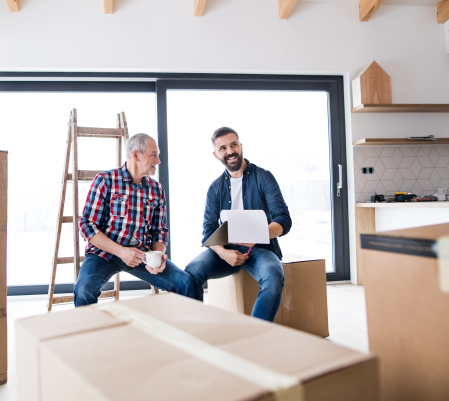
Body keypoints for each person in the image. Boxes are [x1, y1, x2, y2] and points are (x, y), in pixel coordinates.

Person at [185, 127, 292, 322]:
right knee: (191, 272)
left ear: (241, 146)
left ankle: (255, 333)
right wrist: (222, 252)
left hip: (260, 249)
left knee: (273, 276)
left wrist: (258, 234)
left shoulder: (264, 177)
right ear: (216, 154)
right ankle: (197, 329)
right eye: (223, 148)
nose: (230, 151)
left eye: (233, 145)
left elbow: (284, 220)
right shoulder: (215, 188)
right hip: (226, 250)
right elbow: (208, 231)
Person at [74, 133, 195, 306]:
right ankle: (89, 332)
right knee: (84, 290)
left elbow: (160, 231)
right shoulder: (105, 180)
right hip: (104, 253)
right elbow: (87, 225)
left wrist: (158, 256)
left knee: (185, 283)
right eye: (154, 155)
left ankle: (184, 331)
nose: (158, 161)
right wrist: (122, 252)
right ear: (136, 155)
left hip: (142, 254)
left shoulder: (156, 189)